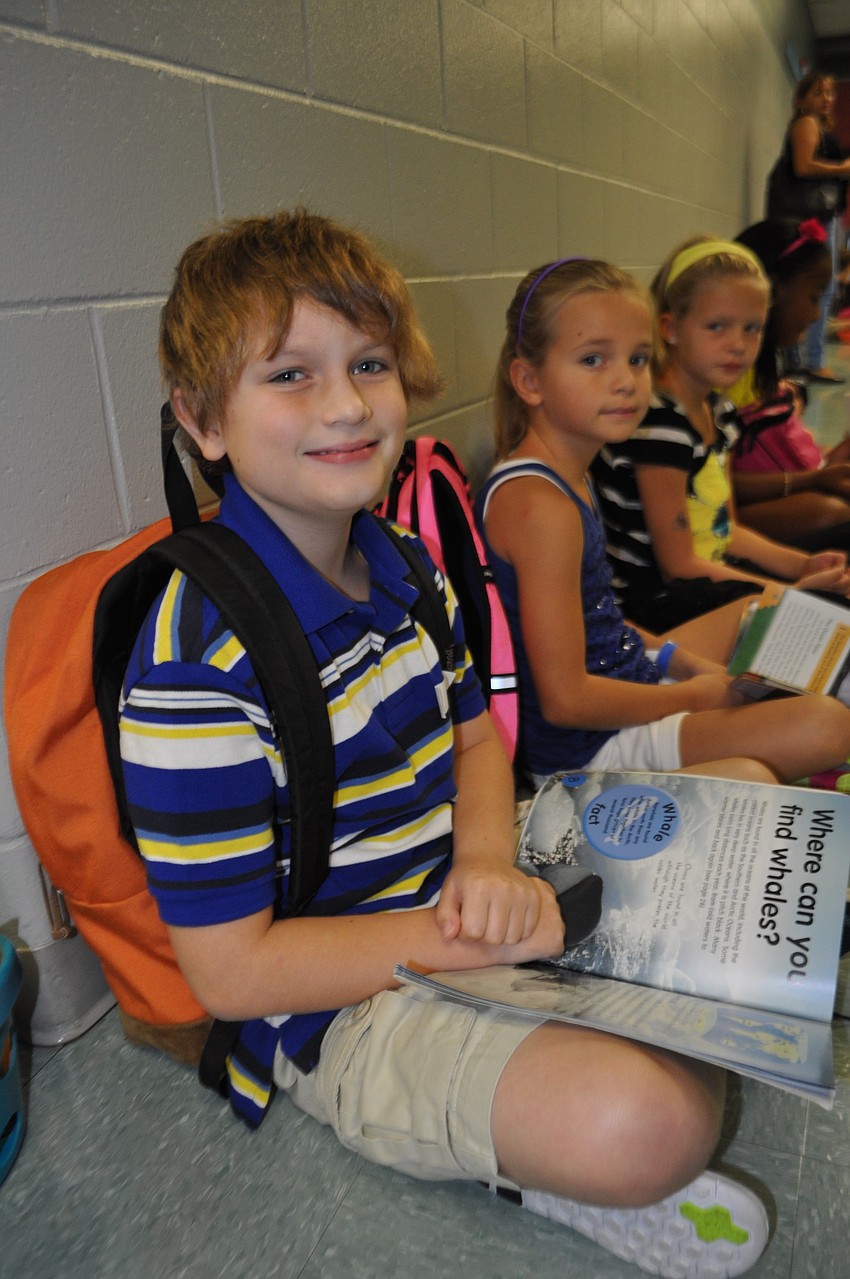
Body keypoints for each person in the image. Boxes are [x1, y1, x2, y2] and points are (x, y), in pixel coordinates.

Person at [118, 212, 771, 1279]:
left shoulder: (403, 555)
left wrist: (481, 863)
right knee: (651, 1123)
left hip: (476, 869)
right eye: (289, 374)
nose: (344, 405)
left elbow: (478, 738)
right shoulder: (191, 666)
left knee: (745, 786)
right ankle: (540, 1158)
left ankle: (572, 1052)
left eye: (367, 363)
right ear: (203, 421)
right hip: (351, 997)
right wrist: (471, 934)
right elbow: (232, 975)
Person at [475, 255, 850, 792]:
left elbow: (601, 622)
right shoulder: (540, 506)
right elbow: (565, 700)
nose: (626, 382)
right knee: (825, 723)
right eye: (593, 360)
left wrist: (685, 664)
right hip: (587, 750)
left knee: (781, 635)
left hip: (630, 682)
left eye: (638, 359)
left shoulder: (571, 475)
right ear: (529, 380)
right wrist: (692, 696)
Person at [591, 236, 850, 631]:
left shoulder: (720, 411)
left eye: (752, 328)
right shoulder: (660, 427)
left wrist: (802, 565)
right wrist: (790, 595)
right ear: (671, 328)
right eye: (717, 326)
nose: (738, 345)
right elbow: (678, 569)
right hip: (656, 610)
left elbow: (727, 532)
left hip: (705, 583)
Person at [729, 217, 850, 551]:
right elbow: (720, 489)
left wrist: (831, 462)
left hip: (796, 482)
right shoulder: (727, 378)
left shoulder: (760, 371)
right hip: (743, 510)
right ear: (772, 291)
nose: (815, 316)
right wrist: (814, 480)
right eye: (813, 298)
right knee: (835, 514)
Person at [766, 71, 850, 383]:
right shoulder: (806, 123)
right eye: (818, 93)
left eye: (830, 93)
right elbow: (803, 165)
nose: (826, 99)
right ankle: (805, 360)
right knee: (813, 285)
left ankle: (802, 358)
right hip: (808, 217)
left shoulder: (817, 127)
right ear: (801, 99)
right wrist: (843, 169)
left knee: (817, 286)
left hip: (818, 216)